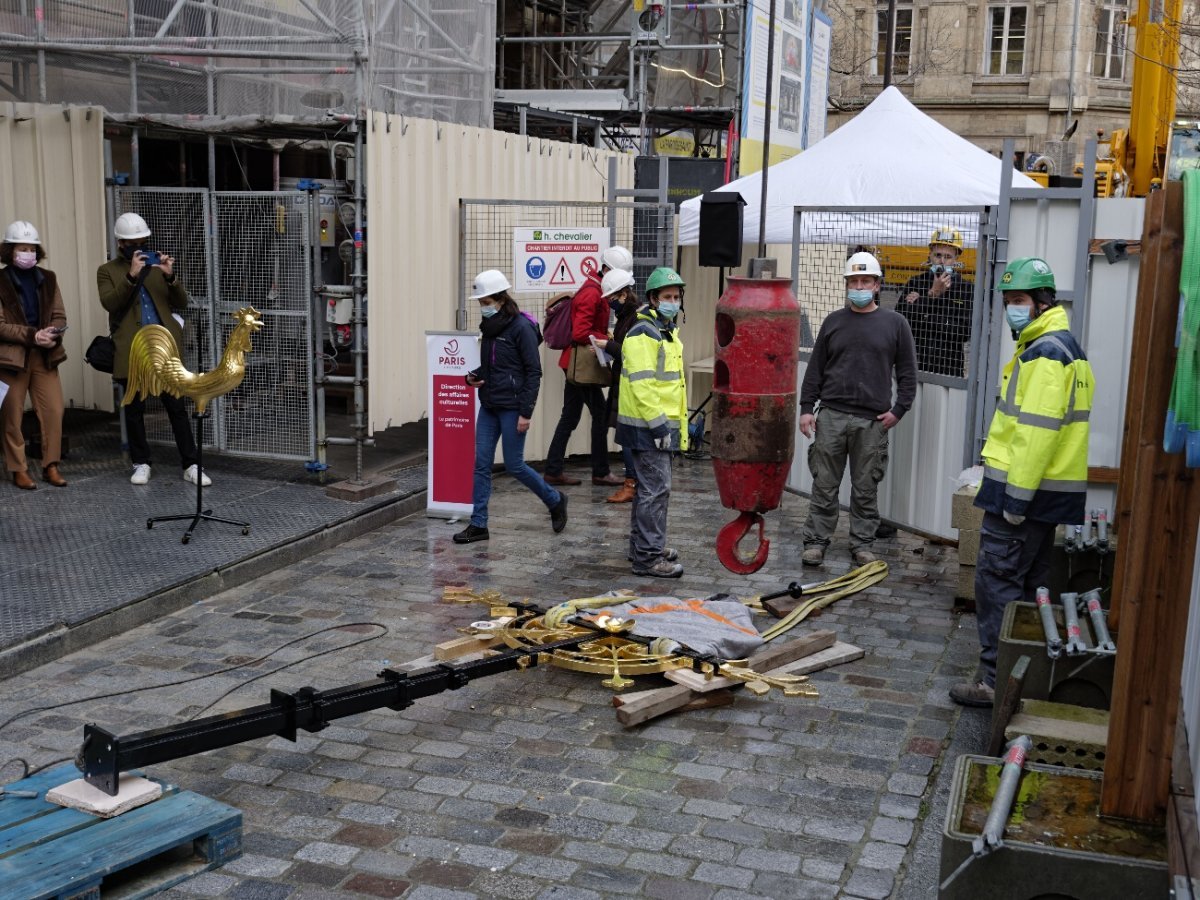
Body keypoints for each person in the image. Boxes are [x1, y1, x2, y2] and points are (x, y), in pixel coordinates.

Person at [950, 257, 1094, 708]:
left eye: (1020, 301)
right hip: (1044, 498)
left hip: (1023, 499)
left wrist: (1015, 499)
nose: (1013, 309)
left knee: (997, 585)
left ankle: (996, 681)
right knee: (1029, 588)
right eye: (1009, 301)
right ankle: (1024, 677)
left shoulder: (1047, 354)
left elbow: (1035, 434)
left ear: (1041, 302)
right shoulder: (1059, 346)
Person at [799, 251, 917, 567]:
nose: (860, 286)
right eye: (854, 281)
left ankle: (862, 544)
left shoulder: (895, 324)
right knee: (824, 485)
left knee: (865, 488)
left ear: (878, 285)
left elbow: (908, 373)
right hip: (832, 417)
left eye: (866, 280)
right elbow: (816, 370)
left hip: (872, 422)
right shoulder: (834, 322)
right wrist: (807, 408)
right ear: (847, 284)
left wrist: (899, 410)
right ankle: (815, 542)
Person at [454, 269, 568, 544]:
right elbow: (496, 366)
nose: (483, 308)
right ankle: (479, 524)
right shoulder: (490, 329)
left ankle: (554, 500)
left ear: (501, 299)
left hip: (513, 407)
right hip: (490, 404)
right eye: (481, 303)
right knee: (481, 464)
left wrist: (525, 413)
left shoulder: (521, 328)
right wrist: (473, 377)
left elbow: (533, 372)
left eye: (486, 302)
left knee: (515, 465)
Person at [98, 212, 207, 487]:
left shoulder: (158, 265)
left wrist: (170, 277)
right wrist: (131, 276)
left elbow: (181, 301)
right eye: (132, 243)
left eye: (142, 241)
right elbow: (110, 303)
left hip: (164, 346)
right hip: (133, 348)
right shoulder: (107, 271)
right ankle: (141, 462)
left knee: (176, 406)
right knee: (134, 408)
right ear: (121, 243)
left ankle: (191, 464)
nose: (139, 247)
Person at [617, 266, 689, 578]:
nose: (673, 301)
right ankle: (648, 558)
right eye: (667, 297)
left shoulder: (664, 331)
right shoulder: (643, 333)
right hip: (648, 427)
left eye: (676, 296)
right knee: (656, 491)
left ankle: (645, 547)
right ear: (653, 300)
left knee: (649, 490)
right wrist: (660, 426)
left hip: (654, 426)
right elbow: (643, 385)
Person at [542, 245, 634, 488]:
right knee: (600, 415)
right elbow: (581, 332)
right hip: (580, 365)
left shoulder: (594, 288)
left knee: (570, 417)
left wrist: (604, 336)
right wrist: (606, 340)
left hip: (574, 364)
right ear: (606, 270)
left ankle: (553, 469)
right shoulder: (592, 293)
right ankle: (600, 471)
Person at [0, 221, 68, 490]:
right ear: (9, 251)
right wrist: (32, 335)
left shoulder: (48, 278)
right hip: (11, 360)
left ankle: (51, 465)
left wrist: (53, 332)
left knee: (54, 410)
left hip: (44, 357)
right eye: (21, 248)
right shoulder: (0, 281)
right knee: (12, 415)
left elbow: (59, 313)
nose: (27, 252)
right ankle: (19, 469)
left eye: (31, 248)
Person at [896, 226, 975, 377]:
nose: (942, 261)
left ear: (956, 258)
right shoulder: (916, 282)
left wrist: (923, 313)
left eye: (948, 257)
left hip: (948, 367)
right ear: (930, 254)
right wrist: (933, 294)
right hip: (913, 364)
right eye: (938, 255)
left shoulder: (966, 288)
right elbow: (901, 320)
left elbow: (964, 332)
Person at [600, 267, 639, 504]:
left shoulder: (635, 318)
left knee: (626, 436)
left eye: (612, 298)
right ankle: (633, 483)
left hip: (629, 384)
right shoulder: (627, 316)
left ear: (624, 294)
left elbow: (629, 354)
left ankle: (631, 484)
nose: (610, 303)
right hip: (623, 382)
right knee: (626, 434)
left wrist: (608, 346)